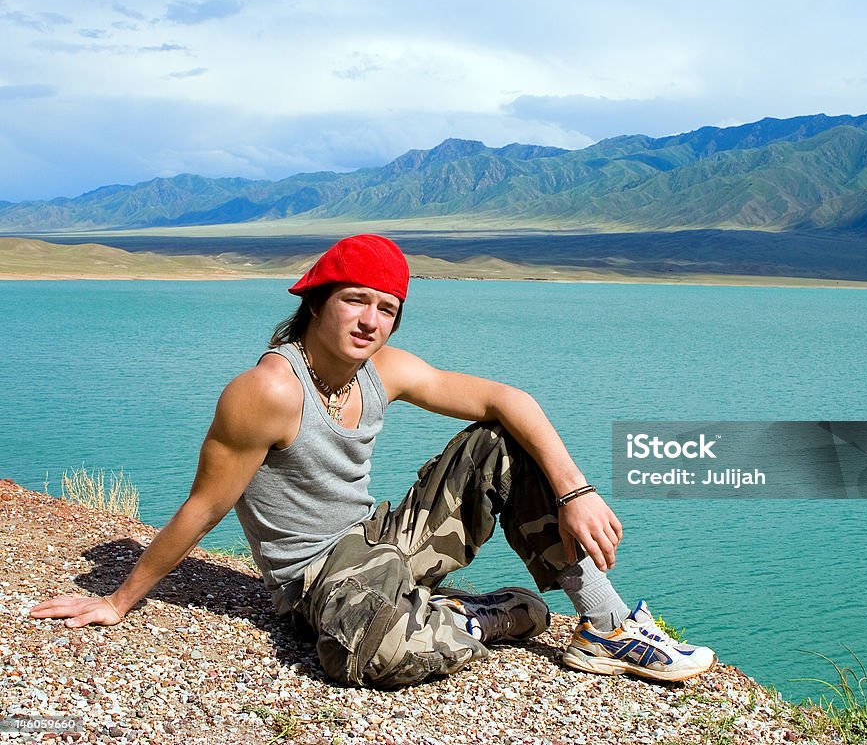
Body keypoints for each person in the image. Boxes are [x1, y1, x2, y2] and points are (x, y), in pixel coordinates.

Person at [31, 234, 716, 688]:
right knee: (362, 657)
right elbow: (205, 504)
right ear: (315, 302)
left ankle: (607, 625)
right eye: (356, 299)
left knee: (501, 440)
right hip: (318, 579)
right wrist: (119, 601)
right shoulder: (267, 391)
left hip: (382, 540)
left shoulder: (380, 371)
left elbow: (509, 397)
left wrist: (576, 490)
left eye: (387, 308)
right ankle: (481, 617)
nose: (371, 320)